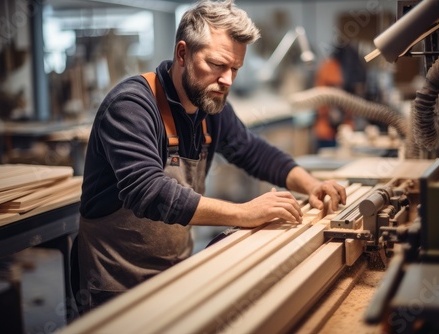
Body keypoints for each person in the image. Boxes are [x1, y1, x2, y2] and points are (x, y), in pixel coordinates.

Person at [76, 0, 346, 312]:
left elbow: (252, 150)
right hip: (114, 287)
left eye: (235, 69)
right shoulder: (131, 106)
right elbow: (148, 191)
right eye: (217, 65)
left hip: (172, 274)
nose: (228, 80)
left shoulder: (210, 105)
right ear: (182, 53)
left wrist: (310, 184)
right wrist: (243, 213)